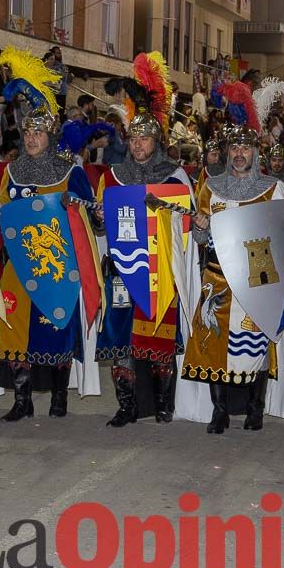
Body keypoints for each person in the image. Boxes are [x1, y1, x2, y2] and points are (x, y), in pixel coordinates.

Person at [0, 106, 95, 422]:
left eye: (38, 133)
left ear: (51, 137)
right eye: (27, 133)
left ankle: (59, 398)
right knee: (15, 331)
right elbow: (2, 201)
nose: (31, 138)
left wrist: (75, 207)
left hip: (57, 267)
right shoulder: (12, 171)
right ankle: (22, 400)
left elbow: (92, 215)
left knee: (57, 330)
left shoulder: (71, 172)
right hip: (17, 265)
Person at [184, 125, 284, 434]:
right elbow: (201, 237)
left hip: (255, 281)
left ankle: (255, 410)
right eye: (234, 148)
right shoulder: (210, 186)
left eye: (245, 148)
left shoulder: (273, 188)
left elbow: (281, 236)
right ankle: (219, 412)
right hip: (216, 278)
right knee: (212, 345)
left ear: (256, 153)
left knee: (255, 346)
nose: (239, 154)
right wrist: (200, 226)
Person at [97, 110, 194, 427]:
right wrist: (97, 216)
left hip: (158, 269)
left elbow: (188, 222)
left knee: (159, 339)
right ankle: (127, 406)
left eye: (145, 139)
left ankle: (164, 404)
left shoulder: (174, 176)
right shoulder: (111, 176)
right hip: (122, 269)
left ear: (158, 142)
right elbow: (100, 225)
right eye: (134, 138)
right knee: (122, 339)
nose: (138, 145)